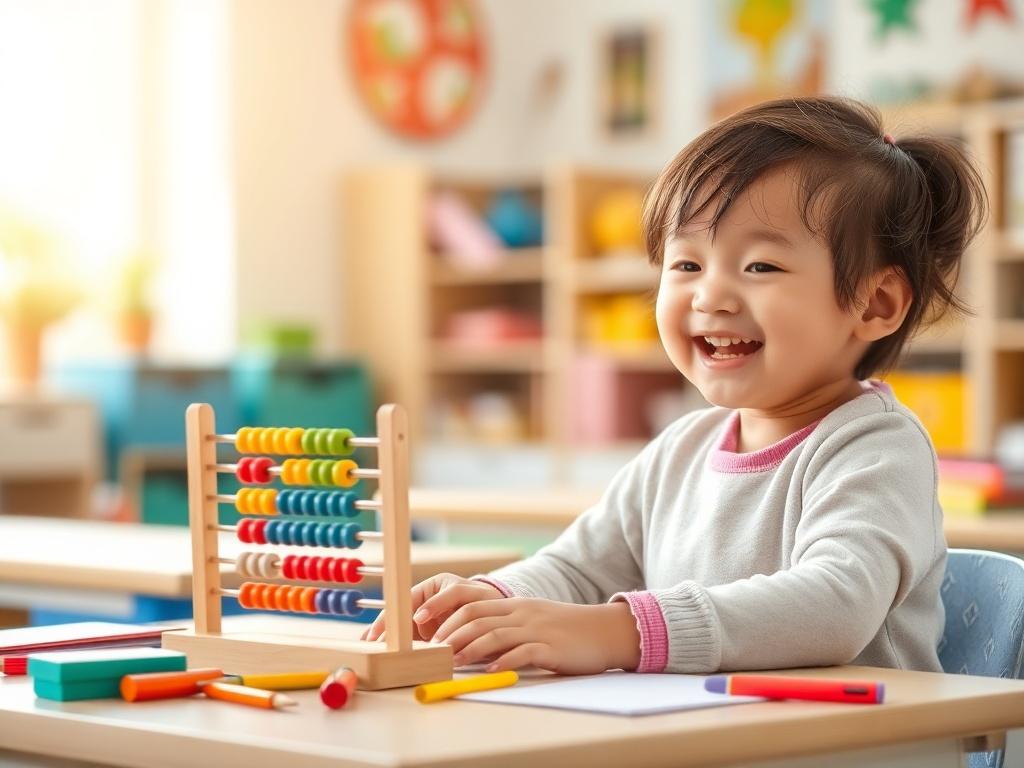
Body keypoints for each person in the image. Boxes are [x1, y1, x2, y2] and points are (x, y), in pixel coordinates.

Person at [364, 96, 987, 676]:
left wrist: (623, 632)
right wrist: (492, 598)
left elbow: (835, 603)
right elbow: (577, 568)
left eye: (760, 265)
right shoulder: (680, 450)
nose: (709, 296)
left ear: (875, 304)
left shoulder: (877, 448)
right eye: (686, 263)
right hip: (712, 735)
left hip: (863, 741)